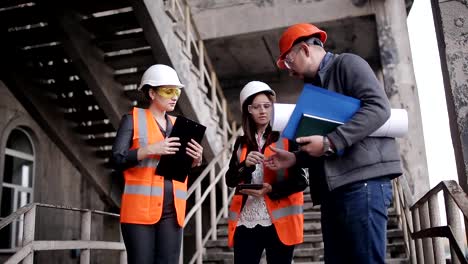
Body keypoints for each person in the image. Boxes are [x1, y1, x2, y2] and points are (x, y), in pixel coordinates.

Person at [265, 24, 403, 264]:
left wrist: (330, 141)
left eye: (288, 61)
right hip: (334, 192)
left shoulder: (347, 64)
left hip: (362, 184)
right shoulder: (315, 88)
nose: (289, 71)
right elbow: (321, 143)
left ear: (305, 50)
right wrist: (297, 158)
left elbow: (379, 107)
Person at [111, 64, 203, 264]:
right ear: (152, 93)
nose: (174, 96)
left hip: (173, 211)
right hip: (139, 211)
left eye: (176, 91)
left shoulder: (180, 125)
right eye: (168, 90)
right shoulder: (132, 120)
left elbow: (181, 169)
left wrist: (195, 160)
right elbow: (117, 159)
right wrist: (151, 149)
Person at [226, 81, 308, 264]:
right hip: (245, 221)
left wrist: (271, 189)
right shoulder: (241, 143)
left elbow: (301, 181)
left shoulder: (287, 136)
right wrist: (244, 165)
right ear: (248, 110)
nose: (263, 111)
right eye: (256, 107)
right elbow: (230, 180)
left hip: (279, 223)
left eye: (267, 106)